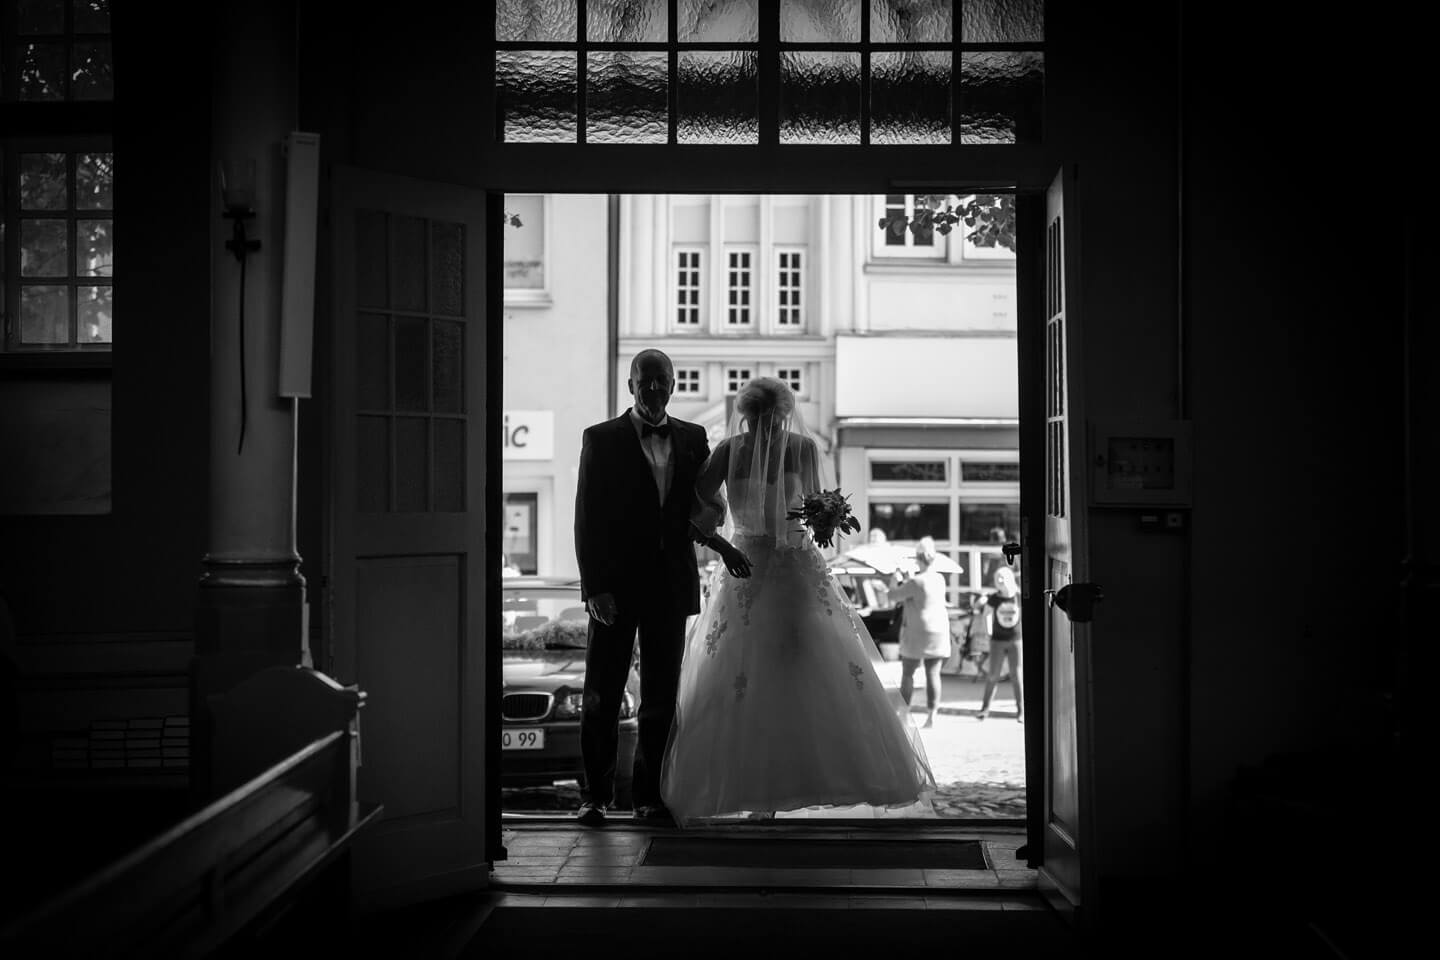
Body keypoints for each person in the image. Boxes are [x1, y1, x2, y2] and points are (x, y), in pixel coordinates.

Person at [660, 377, 935, 825]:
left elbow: (815, 502)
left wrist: (825, 520)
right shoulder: (732, 451)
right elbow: (696, 500)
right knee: (745, 672)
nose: (765, 427)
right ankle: (759, 789)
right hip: (747, 567)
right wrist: (719, 533)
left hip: (791, 569)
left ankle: (796, 782)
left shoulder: (795, 449)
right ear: (749, 415)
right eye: (758, 419)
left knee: (802, 666)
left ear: (781, 415)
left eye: (771, 419)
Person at [573, 349, 752, 828]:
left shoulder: (694, 438)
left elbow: (702, 506)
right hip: (614, 587)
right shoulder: (601, 438)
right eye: (645, 381)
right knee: (601, 694)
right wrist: (594, 588)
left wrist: (721, 542)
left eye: (662, 381)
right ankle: (594, 796)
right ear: (631, 385)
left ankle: (648, 797)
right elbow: (586, 518)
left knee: (660, 696)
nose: (654, 389)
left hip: (669, 585)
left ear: (673, 386)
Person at [889, 536, 952, 728]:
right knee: (933, 673)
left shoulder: (916, 581)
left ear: (918, 557)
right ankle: (932, 716)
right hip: (939, 630)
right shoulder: (939, 578)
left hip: (917, 632)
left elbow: (893, 596)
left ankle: (904, 714)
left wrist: (895, 580)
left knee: (908, 673)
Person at [978, 564, 1024, 722]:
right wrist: (988, 632)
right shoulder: (994, 598)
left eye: (1003, 577)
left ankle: (1021, 711)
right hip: (997, 640)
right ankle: (984, 710)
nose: (1000, 581)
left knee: (1017, 675)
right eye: (998, 578)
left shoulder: (1018, 595)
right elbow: (986, 614)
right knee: (993, 675)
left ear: (1010, 578)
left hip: (1015, 640)